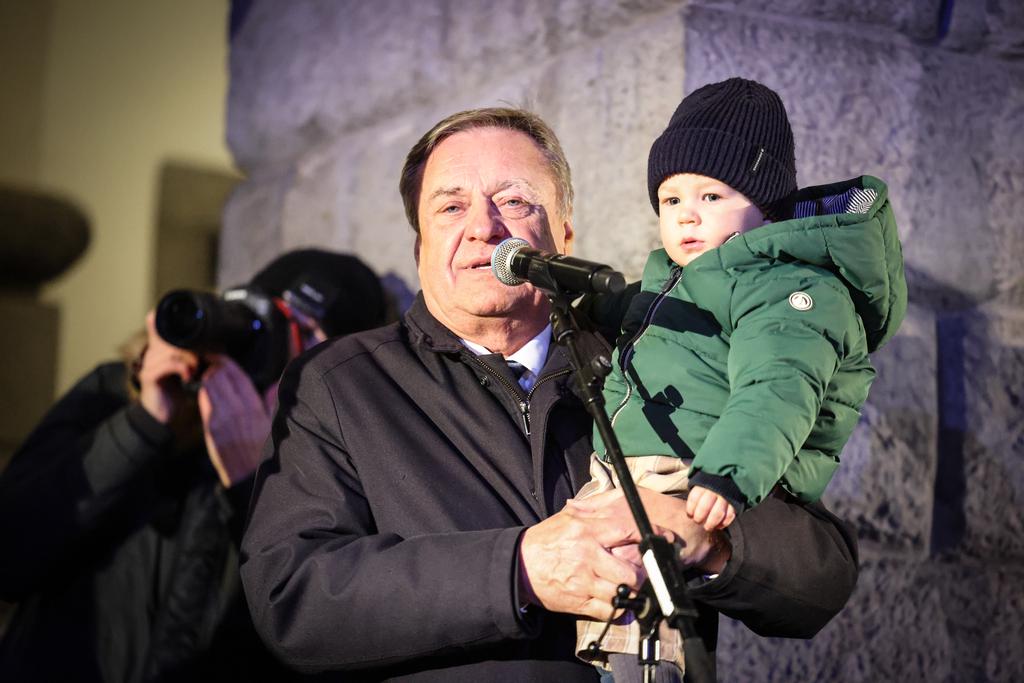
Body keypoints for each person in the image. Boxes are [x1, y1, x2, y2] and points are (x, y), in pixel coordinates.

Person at [239, 107, 861, 682]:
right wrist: (518, 569)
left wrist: (713, 541)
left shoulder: (650, 353)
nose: (483, 228)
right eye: (451, 207)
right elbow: (291, 596)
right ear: (420, 245)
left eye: (514, 201)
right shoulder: (339, 383)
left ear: (563, 234)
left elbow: (823, 576)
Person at [572, 78, 907, 679]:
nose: (687, 214)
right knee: (596, 600)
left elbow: (778, 387)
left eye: (712, 195)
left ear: (766, 207)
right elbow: (630, 319)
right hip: (629, 469)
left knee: (642, 615)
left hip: (691, 470)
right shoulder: (677, 281)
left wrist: (728, 473)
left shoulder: (788, 290)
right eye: (671, 199)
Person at [0, 249, 390, 682]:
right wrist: (142, 425)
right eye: (262, 320)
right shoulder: (116, 393)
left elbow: (317, 633)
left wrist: (255, 484)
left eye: (303, 336)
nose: (273, 346)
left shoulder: (335, 465)